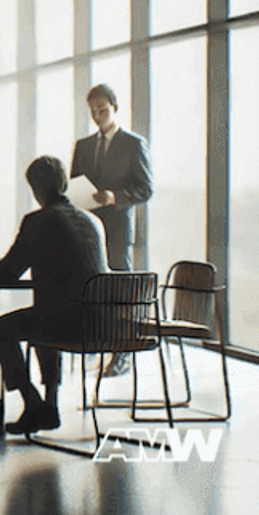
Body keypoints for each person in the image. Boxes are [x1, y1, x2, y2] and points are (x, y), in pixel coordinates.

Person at [0, 156, 108, 434]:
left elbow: (6, 274)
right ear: (65, 184)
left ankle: (33, 403)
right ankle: (50, 406)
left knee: (0, 330)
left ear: (35, 189)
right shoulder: (93, 221)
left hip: (65, 324)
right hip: (101, 324)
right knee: (49, 312)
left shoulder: (37, 221)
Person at [70, 84, 152, 375]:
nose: (97, 115)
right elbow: (74, 185)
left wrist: (115, 197)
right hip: (88, 229)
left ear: (115, 108)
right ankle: (95, 343)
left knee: (119, 292)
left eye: (102, 109)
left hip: (118, 229)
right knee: (91, 288)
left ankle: (122, 354)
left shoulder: (133, 144)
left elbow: (146, 188)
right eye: (93, 110)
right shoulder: (83, 146)